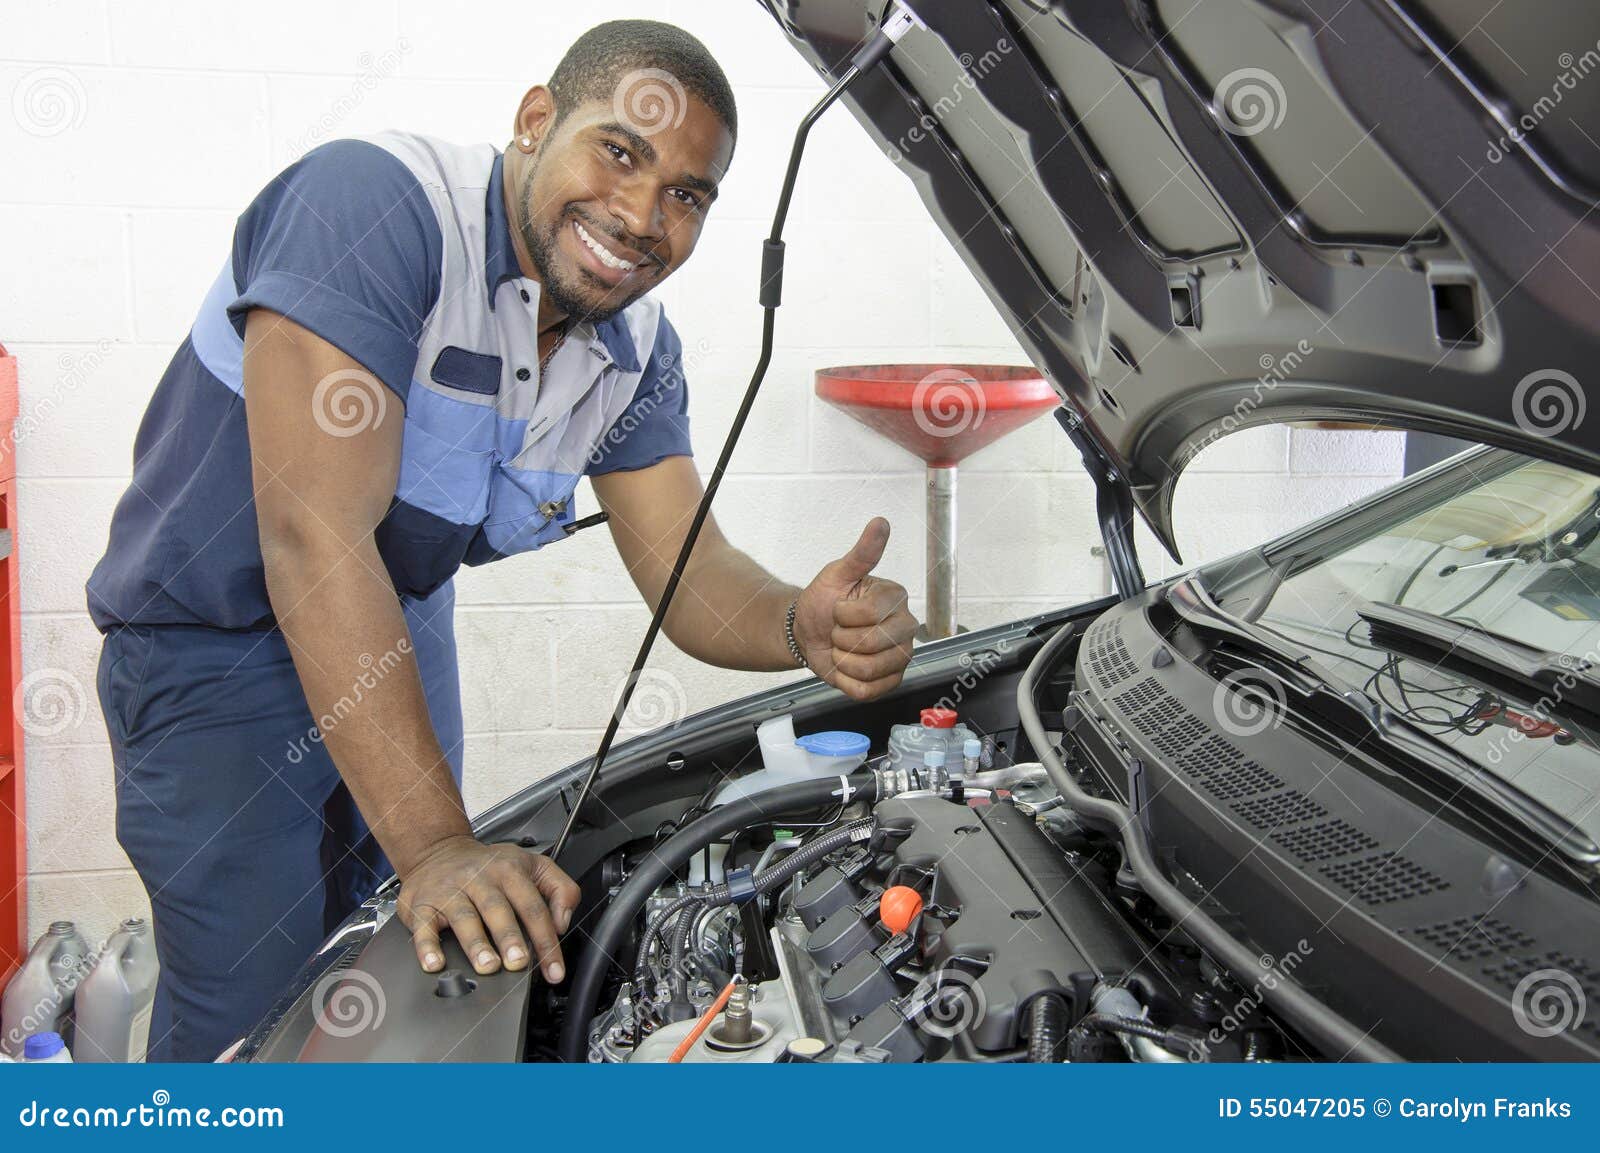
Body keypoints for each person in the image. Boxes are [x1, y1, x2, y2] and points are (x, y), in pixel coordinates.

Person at [86, 20, 918, 1061]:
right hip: (212, 647)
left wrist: (805, 622)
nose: (640, 213)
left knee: (391, 975)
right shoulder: (377, 206)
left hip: (392, 628)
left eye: (686, 195)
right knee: (252, 1015)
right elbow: (313, 536)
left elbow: (690, 573)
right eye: (619, 153)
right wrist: (436, 842)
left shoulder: (633, 353)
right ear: (535, 122)